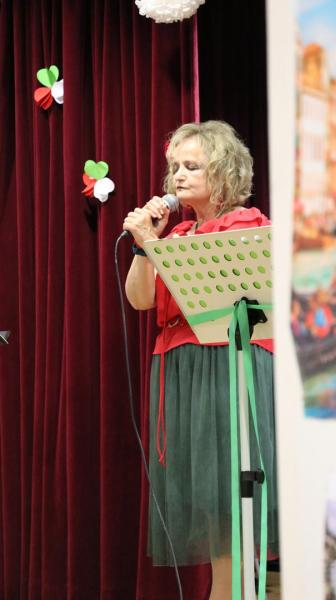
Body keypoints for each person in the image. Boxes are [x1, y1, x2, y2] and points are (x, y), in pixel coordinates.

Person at [123, 120, 278, 599]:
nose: (178, 176)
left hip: (229, 367)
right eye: (175, 167)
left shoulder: (248, 226)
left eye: (192, 166)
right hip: (183, 370)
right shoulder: (175, 236)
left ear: (225, 171)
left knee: (233, 501)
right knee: (212, 506)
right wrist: (145, 244)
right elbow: (140, 299)